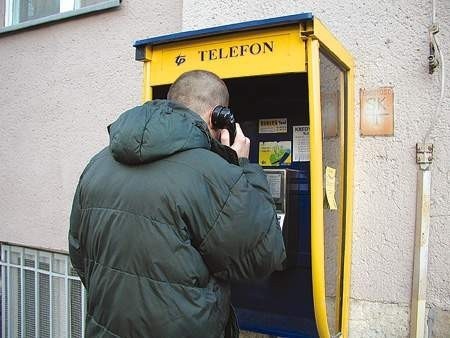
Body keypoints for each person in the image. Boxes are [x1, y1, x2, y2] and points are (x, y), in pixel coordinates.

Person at [69, 70, 286, 338]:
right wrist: (241, 166)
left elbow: (79, 253)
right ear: (217, 116)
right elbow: (265, 254)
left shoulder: (98, 163)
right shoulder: (215, 174)